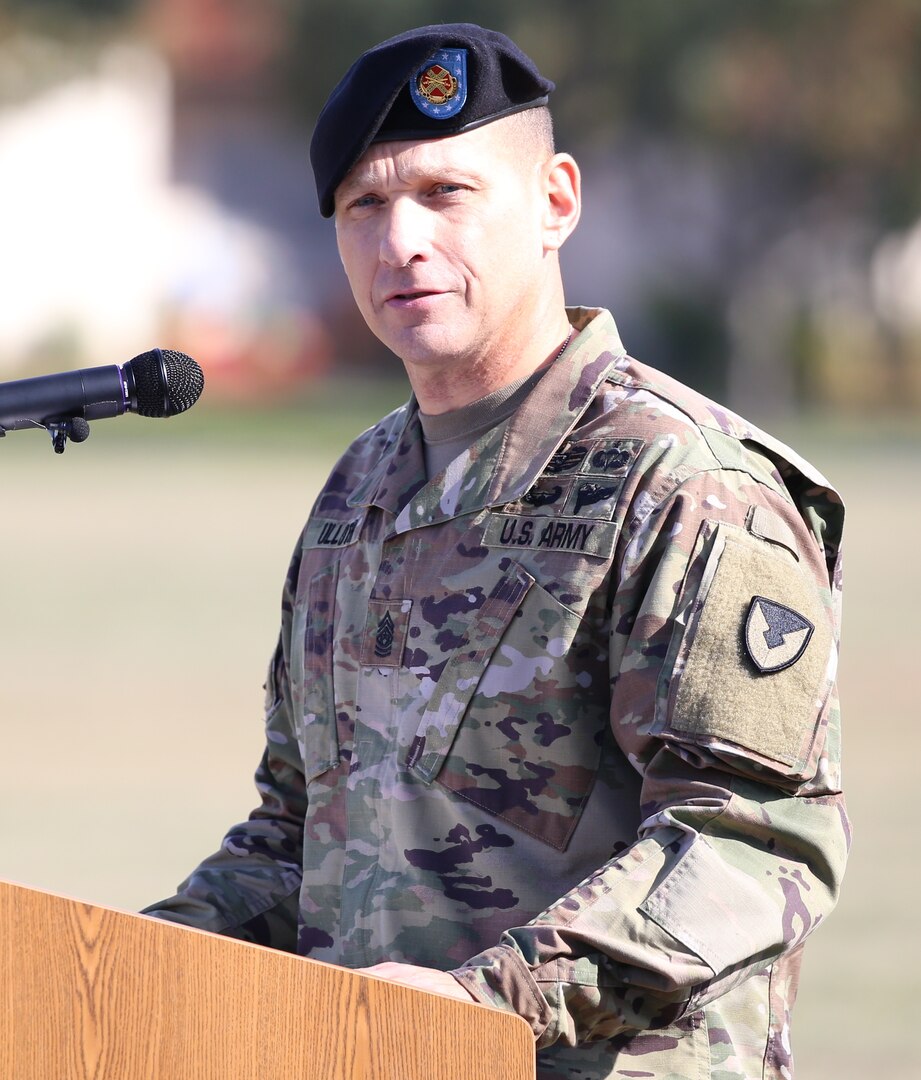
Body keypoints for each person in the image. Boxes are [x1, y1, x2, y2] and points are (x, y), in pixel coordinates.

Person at [143, 24, 848, 1080]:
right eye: (364, 207)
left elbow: (753, 843)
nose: (402, 242)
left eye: (445, 193)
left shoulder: (687, 482)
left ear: (556, 200)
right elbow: (298, 832)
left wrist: (488, 1002)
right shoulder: (359, 492)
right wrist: (137, 964)